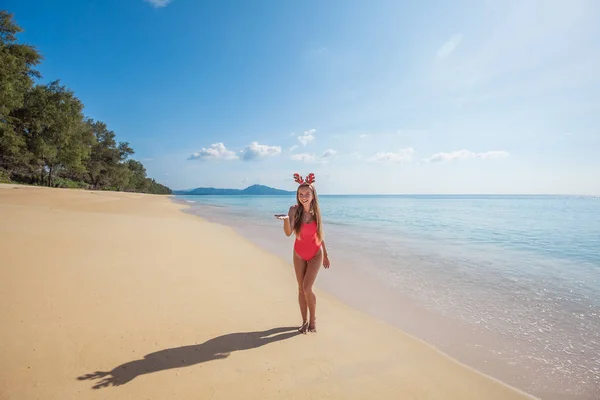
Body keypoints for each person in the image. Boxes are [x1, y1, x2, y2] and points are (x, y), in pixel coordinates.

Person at [274, 172, 330, 334]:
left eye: (307, 194)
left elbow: (320, 234)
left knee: (307, 287)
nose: (303, 197)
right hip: (298, 253)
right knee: (300, 289)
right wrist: (286, 220)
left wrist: (325, 254)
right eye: (300, 194)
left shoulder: (316, 212)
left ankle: (313, 320)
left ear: (313, 195)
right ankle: (304, 321)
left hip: (315, 254)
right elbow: (288, 233)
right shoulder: (293, 210)